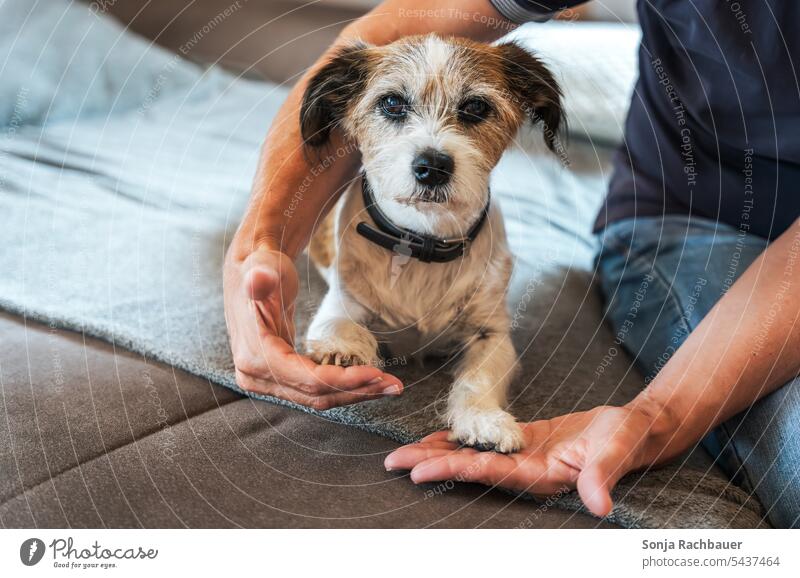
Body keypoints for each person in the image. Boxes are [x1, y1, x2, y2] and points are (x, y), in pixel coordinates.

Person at [223, 0, 800, 527]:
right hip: (696, 214)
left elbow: (488, 336)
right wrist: (260, 243)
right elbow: (394, 31)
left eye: (474, 111)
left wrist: (660, 414)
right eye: (395, 108)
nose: (432, 151)